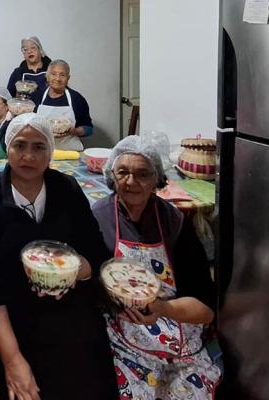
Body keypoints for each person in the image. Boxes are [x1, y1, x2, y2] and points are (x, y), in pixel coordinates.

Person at [0, 113, 119, 399]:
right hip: (8, 311)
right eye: (20, 145)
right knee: (16, 384)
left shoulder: (67, 189)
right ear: (7, 149)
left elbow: (95, 251)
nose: (28, 156)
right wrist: (12, 359)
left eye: (39, 147)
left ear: (50, 152)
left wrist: (76, 271)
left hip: (66, 304)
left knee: (84, 381)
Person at [91, 135, 222, 399]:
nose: (131, 182)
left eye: (142, 174)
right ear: (111, 175)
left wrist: (160, 308)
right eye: (123, 172)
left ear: (157, 180)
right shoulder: (97, 219)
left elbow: (206, 308)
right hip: (122, 333)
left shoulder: (175, 223)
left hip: (176, 323)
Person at [35, 59, 93, 151]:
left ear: (68, 78)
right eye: (53, 74)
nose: (57, 79)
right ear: (47, 76)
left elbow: (89, 129)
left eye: (62, 75)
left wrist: (74, 131)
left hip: (70, 152)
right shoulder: (37, 96)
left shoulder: (77, 99)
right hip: (42, 151)